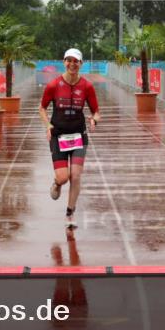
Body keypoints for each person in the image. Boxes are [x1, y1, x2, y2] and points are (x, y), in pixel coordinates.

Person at [39, 48, 100, 229]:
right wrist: (47, 125)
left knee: (76, 175)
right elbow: (41, 108)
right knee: (64, 177)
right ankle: (57, 183)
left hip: (79, 135)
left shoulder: (87, 86)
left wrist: (93, 119)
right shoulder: (53, 85)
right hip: (58, 135)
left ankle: (70, 213)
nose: (72, 64)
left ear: (81, 64)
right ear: (63, 62)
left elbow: (97, 111)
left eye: (76, 61)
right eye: (69, 60)